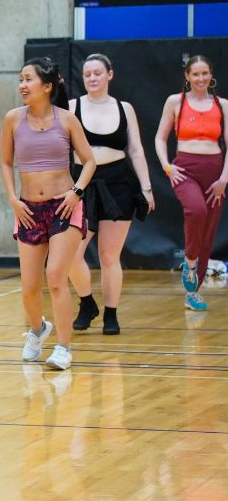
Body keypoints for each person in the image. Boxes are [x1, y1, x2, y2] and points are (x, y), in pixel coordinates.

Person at [0, 57, 95, 370]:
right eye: (20, 80)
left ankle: (64, 348)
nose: (22, 86)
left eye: (28, 80)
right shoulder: (13, 119)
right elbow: (5, 162)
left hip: (63, 206)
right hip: (28, 209)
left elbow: (89, 161)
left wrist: (76, 191)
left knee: (55, 277)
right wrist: (13, 198)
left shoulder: (66, 120)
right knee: (29, 287)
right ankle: (38, 329)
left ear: (47, 86)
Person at [68, 54, 155, 335]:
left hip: (119, 184)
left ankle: (111, 314)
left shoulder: (124, 108)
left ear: (109, 75)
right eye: (87, 74)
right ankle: (86, 302)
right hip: (82, 184)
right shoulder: (71, 107)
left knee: (109, 256)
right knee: (71, 253)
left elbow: (136, 150)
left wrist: (146, 188)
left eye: (97, 73)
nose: (92, 78)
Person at [155, 55, 228, 311]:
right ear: (187, 76)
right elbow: (160, 138)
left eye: (205, 73)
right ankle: (190, 260)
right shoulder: (176, 102)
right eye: (195, 74)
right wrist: (167, 166)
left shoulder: (223, 105)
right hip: (184, 169)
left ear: (211, 75)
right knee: (195, 210)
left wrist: (224, 178)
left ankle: (192, 293)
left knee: (208, 233)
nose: (200, 78)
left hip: (215, 174)